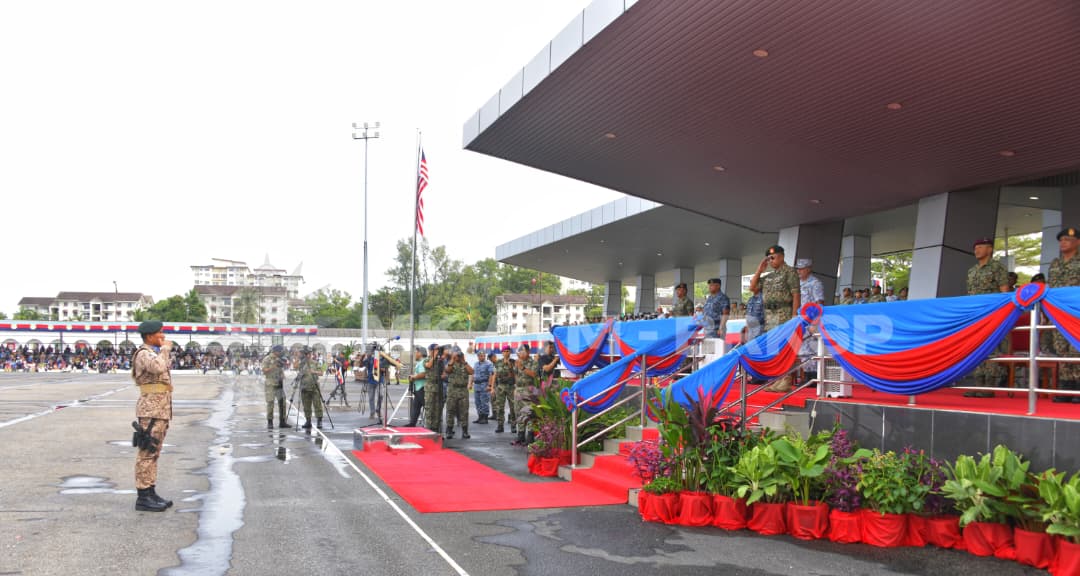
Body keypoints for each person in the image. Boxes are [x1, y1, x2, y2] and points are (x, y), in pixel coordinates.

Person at [131, 320, 175, 512]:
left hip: (160, 410)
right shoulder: (143, 354)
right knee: (146, 453)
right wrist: (165, 349)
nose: (163, 336)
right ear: (149, 336)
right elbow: (157, 368)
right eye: (160, 333)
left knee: (154, 452)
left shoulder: (154, 353)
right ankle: (143, 495)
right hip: (150, 411)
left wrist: (163, 351)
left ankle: (150, 490)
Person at [750, 245, 801, 392]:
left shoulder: (790, 272)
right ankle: (778, 378)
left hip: (784, 312)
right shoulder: (769, 276)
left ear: (782, 256)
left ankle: (786, 379)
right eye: (769, 259)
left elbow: (796, 294)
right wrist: (760, 270)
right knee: (773, 348)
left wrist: (794, 316)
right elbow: (753, 288)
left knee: (785, 347)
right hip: (770, 315)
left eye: (773, 257)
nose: (771, 261)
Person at [965, 237, 1009, 398]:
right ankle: (977, 384)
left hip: (992, 315)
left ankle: (989, 386)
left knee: (991, 349)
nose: (977, 250)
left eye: (981, 247)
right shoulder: (972, 271)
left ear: (990, 249)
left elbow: (1004, 292)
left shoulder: (998, 267)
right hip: (976, 316)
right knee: (976, 348)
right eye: (975, 247)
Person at [1049, 227, 1080, 403]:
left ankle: (1078, 386)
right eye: (1061, 240)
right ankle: (1066, 387)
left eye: (1067, 240)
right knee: (1061, 350)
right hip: (1058, 313)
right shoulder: (1054, 264)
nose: (1063, 242)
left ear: (1078, 242)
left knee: (1076, 349)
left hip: (1076, 312)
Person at [796, 258, 825, 379]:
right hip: (800, 320)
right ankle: (807, 375)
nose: (799, 271)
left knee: (813, 348)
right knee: (803, 349)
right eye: (798, 269)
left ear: (808, 269)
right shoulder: (798, 284)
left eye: (802, 269)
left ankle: (814, 376)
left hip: (812, 320)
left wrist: (816, 321)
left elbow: (820, 302)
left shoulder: (815, 283)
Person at [512, 344, 540, 446]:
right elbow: (515, 374)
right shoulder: (518, 362)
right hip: (519, 390)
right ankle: (520, 436)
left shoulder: (533, 362)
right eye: (519, 352)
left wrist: (523, 368)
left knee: (528, 413)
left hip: (529, 390)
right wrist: (516, 387)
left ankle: (530, 436)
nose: (520, 353)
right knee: (518, 413)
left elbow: (534, 374)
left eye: (522, 351)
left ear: (528, 352)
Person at [443, 349, 474, 439]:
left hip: (463, 391)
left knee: (464, 412)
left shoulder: (464, 364)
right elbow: (447, 370)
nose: (458, 357)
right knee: (450, 411)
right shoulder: (451, 364)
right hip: (452, 390)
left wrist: (464, 361)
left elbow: (471, 372)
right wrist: (452, 359)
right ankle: (449, 430)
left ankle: (465, 431)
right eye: (457, 355)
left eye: (459, 355)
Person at [296, 347, 324, 429]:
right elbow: (295, 366)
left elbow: (321, 373)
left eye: (307, 354)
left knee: (317, 404)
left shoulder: (315, 363)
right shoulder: (301, 364)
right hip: (304, 387)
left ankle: (319, 421)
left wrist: (314, 372)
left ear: (310, 354)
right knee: (306, 406)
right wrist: (297, 358)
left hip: (314, 387)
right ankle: (308, 421)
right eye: (305, 354)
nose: (307, 355)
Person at [261, 345, 288, 428]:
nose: (281, 353)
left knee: (282, 402)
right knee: (270, 403)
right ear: (276, 351)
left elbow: (280, 369)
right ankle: (270, 422)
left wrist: (282, 375)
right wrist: (273, 367)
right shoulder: (267, 359)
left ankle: (282, 421)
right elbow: (264, 370)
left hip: (279, 383)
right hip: (271, 383)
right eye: (280, 351)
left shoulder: (279, 359)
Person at [491, 346, 517, 434]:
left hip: (510, 387)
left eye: (508, 351)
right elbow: (494, 374)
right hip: (500, 386)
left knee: (513, 407)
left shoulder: (514, 362)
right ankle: (500, 425)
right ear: (502, 353)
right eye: (504, 351)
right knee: (500, 407)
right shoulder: (498, 362)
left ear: (510, 352)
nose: (506, 353)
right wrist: (492, 388)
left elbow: (515, 376)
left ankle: (513, 425)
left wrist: (510, 367)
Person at [423, 344, 445, 434]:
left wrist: (443, 375)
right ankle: (428, 428)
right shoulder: (427, 359)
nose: (437, 351)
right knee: (429, 409)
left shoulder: (440, 361)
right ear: (431, 350)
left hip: (438, 387)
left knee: (437, 409)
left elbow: (443, 372)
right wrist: (434, 355)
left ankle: (436, 429)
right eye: (435, 349)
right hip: (430, 387)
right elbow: (428, 365)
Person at [471, 350, 494, 425]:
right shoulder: (475, 364)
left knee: (484, 402)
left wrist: (489, 385)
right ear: (478, 356)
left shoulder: (489, 364)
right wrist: (470, 383)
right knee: (477, 402)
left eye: (483, 355)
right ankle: (480, 417)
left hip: (484, 384)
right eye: (480, 356)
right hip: (476, 385)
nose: (482, 357)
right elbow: (473, 374)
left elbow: (491, 375)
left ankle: (485, 417)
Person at [406, 347, 427, 427]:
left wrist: (414, 377)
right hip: (418, 388)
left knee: (426, 407)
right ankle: (412, 423)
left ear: (420, 353)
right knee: (416, 407)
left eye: (416, 352)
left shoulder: (422, 363)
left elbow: (423, 374)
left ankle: (430, 426)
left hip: (422, 388)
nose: (415, 354)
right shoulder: (421, 362)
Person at [364, 351, 382, 419]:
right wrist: (366, 356)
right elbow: (362, 364)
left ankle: (378, 409)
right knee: (371, 397)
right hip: (371, 380)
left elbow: (386, 366)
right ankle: (372, 412)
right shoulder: (369, 358)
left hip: (380, 380)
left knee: (381, 395)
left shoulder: (381, 358)